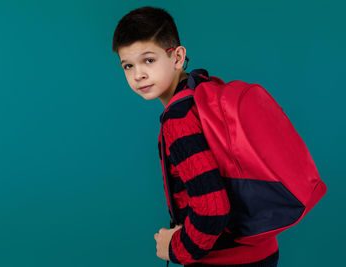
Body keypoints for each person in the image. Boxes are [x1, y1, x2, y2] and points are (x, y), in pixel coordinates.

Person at [112, 6, 279, 267]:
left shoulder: (178, 119)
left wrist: (175, 248)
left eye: (149, 60)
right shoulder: (205, 88)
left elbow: (213, 210)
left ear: (178, 57)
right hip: (261, 250)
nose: (138, 74)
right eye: (128, 66)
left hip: (225, 259)